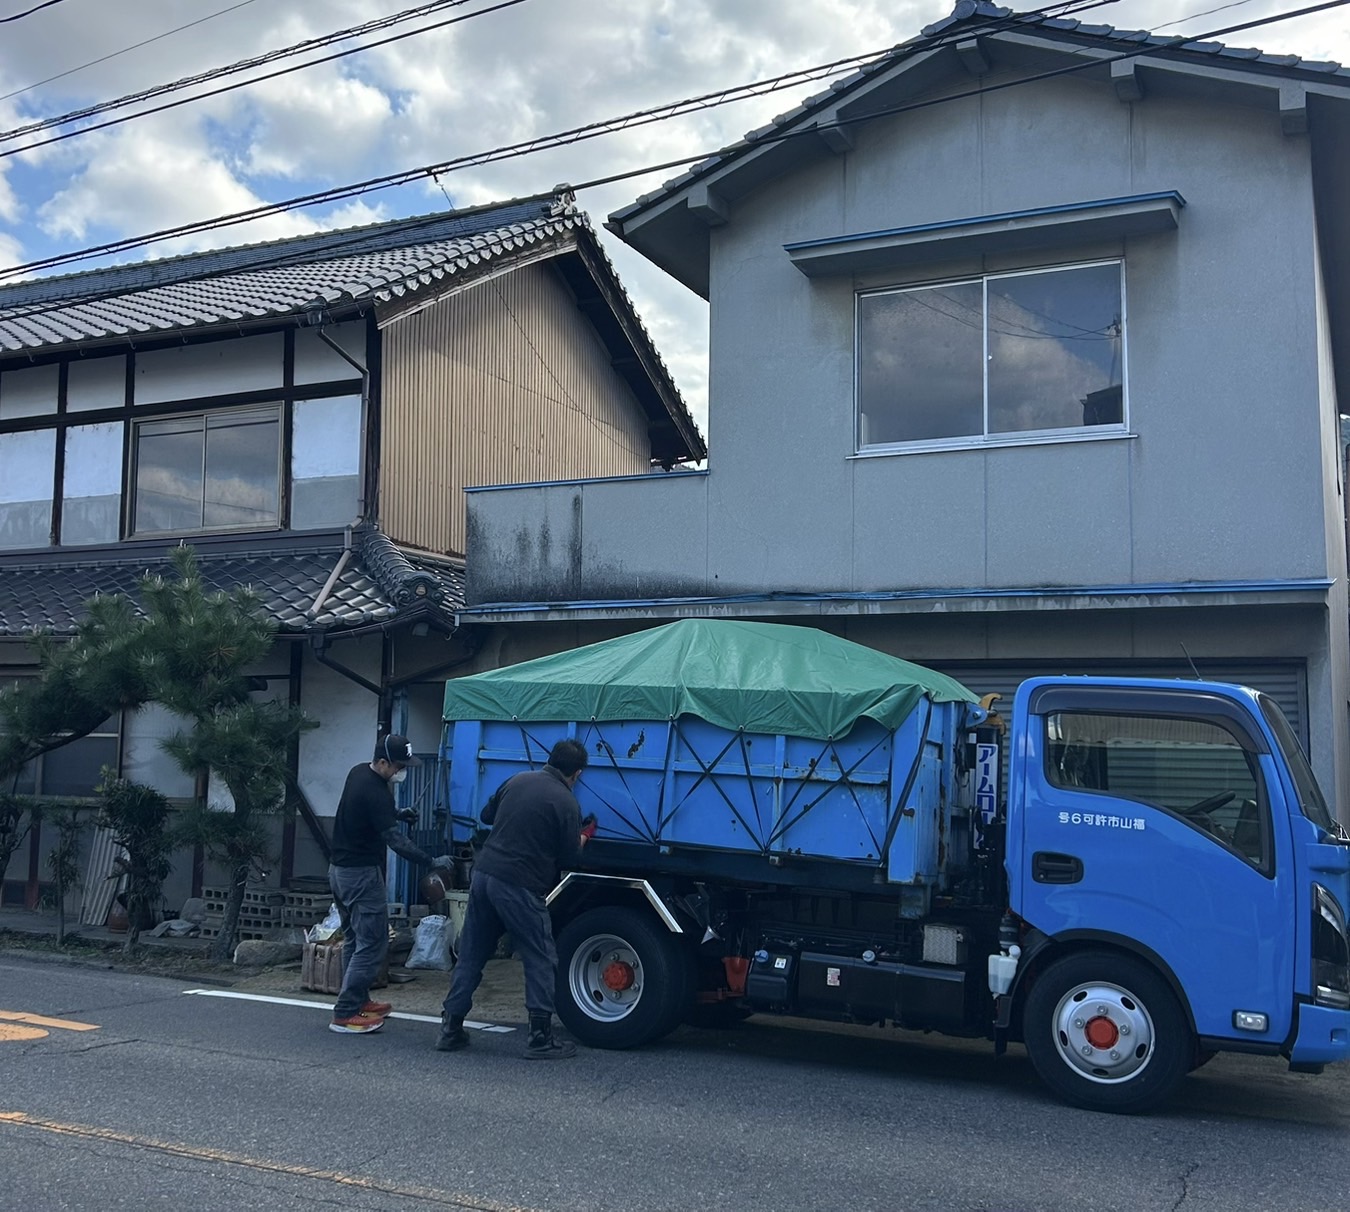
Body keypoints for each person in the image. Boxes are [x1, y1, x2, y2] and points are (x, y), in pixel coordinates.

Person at [437, 737, 592, 1059]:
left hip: (484, 876)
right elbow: (569, 857)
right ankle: (540, 1038)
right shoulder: (566, 803)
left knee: (472, 954)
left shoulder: (518, 779)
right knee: (541, 956)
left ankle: (450, 1028)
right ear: (576, 774)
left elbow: (487, 815)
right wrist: (584, 835)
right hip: (519, 885)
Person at [328, 733, 451, 1035]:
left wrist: (396, 814)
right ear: (382, 762)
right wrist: (430, 861)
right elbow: (395, 840)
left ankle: (358, 1000)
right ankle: (345, 1013)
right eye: (397, 766)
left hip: (339, 871)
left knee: (355, 940)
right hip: (360, 875)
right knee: (372, 944)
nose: (400, 771)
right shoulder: (376, 792)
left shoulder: (358, 772)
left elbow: (370, 814)